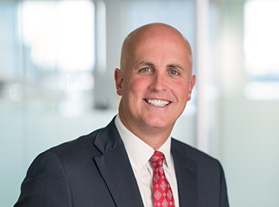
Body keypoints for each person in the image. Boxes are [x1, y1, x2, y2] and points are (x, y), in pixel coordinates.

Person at [14, 23, 229, 207]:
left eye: (173, 72)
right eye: (145, 69)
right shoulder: (62, 171)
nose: (159, 85)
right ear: (120, 81)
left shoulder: (210, 173)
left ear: (189, 88)